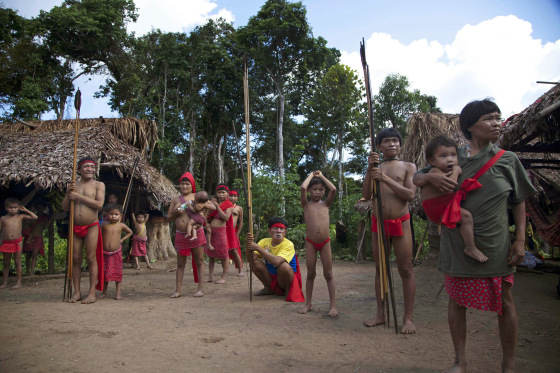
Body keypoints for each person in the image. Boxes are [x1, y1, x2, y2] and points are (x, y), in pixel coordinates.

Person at [413, 99, 536, 373]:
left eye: (498, 117)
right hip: (457, 244)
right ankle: (459, 362)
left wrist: (519, 241)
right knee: (456, 302)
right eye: (489, 118)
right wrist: (430, 179)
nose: (497, 123)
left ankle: (509, 364)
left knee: (505, 301)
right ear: (470, 126)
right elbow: (418, 178)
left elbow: (519, 201)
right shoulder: (453, 159)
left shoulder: (507, 160)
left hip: (496, 244)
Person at [362, 127, 417, 334]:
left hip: (401, 222)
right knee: (380, 269)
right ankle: (380, 313)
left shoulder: (408, 166)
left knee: (406, 269)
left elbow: (409, 195)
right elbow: (366, 195)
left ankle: (408, 318)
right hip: (379, 224)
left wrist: (384, 178)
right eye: (386, 141)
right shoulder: (375, 167)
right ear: (379, 146)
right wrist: (370, 170)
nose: (391, 144)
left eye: (395, 140)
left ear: (400, 144)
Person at [421, 136, 488, 262]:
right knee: (466, 217)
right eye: (443, 156)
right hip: (437, 208)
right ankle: (470, 248)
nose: (450, 160)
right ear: (432, 161)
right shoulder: (434, 171)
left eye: (453, 155)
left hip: (442, 204)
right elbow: (450, 186)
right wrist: (456, 172)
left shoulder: (439, 170)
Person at [62, 156, 106, 304]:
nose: (90, 169)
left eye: (92, 167)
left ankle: (92, 293)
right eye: (86, 166)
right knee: (75, 259)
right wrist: (69, 194)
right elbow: (65, 208)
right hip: (74, 226)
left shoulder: (99, 185)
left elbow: (99, 205)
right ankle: (77, 292)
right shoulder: (74, 186)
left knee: (91, 258)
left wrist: (79, 197)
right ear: (79, 169)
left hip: (91, 225)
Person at [298, 171, 338, 317]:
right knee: (310, 273)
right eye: (314, 189)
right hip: (310, 243)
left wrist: (321, 176)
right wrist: (310, 175)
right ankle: (308, 304)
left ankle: (333, 306)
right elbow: (302, 188)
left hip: (325, 243)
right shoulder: (305, 205)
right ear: (310, 191)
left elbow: (333, 189)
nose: (317, 192)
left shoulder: (326, 204)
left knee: (328, 273)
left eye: (320, 190)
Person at [167, 172, 212, 298]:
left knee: (199, 260)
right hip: (181, 234)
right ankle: (178, 291)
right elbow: (168, 218)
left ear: (192, 185)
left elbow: (213, 206)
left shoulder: (197, 196)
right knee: (180, 264)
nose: (184, 186)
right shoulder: (175, 199)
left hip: (196, 232)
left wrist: (202, 204)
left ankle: (200, 289)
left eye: (187, 184)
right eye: (182, 183)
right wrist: (176, 213)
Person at [245, 217, 305, 302]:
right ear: (269, 231)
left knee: (283, 266)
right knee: (254, 263)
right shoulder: (264, 242)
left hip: (285, 278)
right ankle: (268, 288)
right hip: (271, 276)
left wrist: (259, 248)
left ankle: (288, 291)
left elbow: (277, 262)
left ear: (285, 232)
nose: (278, 231)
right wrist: (249, 247)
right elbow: (251, 259)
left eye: (281, 228)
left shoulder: (288, 244)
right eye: (275, 228)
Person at [0, 198, 38, 289]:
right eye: (11, 207)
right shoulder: (3, 218)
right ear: (6, 208)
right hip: (6, 243)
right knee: (6, 263)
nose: (13, 209)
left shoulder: (20, 217)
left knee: (18, 262)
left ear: (18, 208)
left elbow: (35, 217)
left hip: (18, 242)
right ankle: (4, 283)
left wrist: (25, 210)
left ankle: (18, 283)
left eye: (15, 208)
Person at [100, 204, 132, 300]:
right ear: (107, 214)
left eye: (116, 214)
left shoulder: (121, 225)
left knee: (117, 273)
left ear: (121, 216)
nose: (113, 216)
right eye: (111, 214)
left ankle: (118, 294)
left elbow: (130, 232)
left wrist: (122, 239)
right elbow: (100, 235)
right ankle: (104, 292)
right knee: (105, 273)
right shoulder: (104, 224)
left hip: (116, 253)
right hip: (105, 253)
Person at [205, 184, 235, 283]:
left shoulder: (229, 205)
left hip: (221, 231)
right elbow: (208, 215)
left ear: (227, 193)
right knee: (211, 255)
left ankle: (224, 277)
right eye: (219, 192)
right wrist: (207, 224)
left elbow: (226, 217)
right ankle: (210, 276)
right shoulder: (215, 202)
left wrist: (217, 207)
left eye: (223, 192)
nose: (221, 194)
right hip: (212, 232)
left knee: (224, 255)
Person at [22, 202, 49, 276]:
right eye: (38, 207)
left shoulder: (45, 217)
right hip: (29, 237)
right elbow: (26, 224)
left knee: (34, 255)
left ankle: (31, 272)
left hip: (38, 237)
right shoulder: (31, 216)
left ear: (44, 208)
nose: (39, 209)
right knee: (28, 255)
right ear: (35, 208)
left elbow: (46, 227)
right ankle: (27, 271)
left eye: (41, 207)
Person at [228, 189, 244, 275]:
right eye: (231, 196)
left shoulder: (239, 208)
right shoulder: (225, 205)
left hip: (234, 231)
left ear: (237, 197)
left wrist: (238, 232)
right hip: (225, 230)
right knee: (225, 251)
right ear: (228, 196)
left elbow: (240, 221)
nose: (233, 198)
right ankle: (225, 270)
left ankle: (240, 270)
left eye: (235, 196)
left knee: (235, 250)